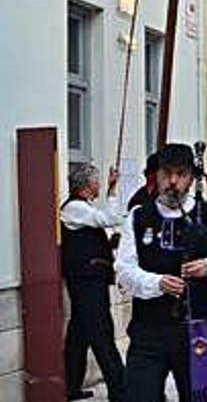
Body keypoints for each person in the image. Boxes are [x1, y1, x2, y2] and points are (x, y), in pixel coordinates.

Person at [117, 143, 207, 402]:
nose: (172, 181)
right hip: (148, 331)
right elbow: (124, 271)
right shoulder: (138, 217)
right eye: (166, 173)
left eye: (180, 174)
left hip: (196, 329)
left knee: (198, 397)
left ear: (191, 178)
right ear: (156, 175)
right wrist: (157, 283)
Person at [60, 164, 127, 402]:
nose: (98, 185)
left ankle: (70, 387)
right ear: (87, 186)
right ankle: (120, 391)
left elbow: (88, 240)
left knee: (78, 336)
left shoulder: (82, 209)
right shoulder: (75, 208)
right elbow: (110, 218)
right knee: (102, 335)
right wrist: (112, 190)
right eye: (96, 182)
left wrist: (107, 245)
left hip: (88, 282)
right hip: (87, 284)